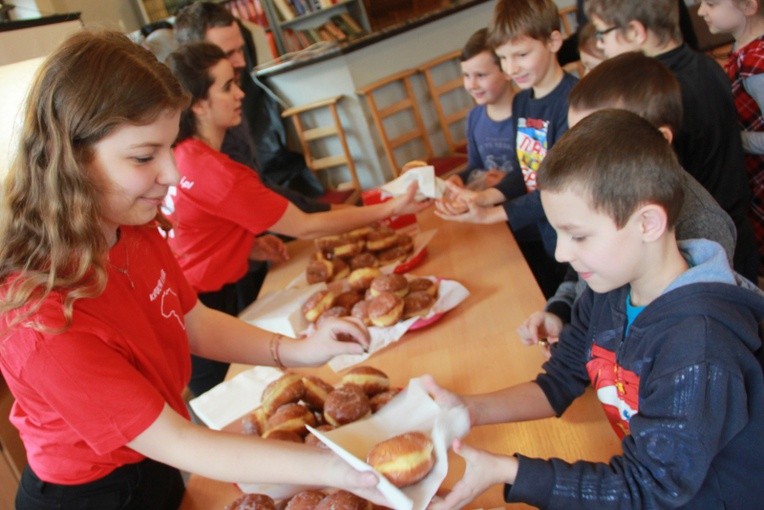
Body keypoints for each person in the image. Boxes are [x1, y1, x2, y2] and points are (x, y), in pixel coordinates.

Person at [0, 30, 387, 510]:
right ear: (73, 160)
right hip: (89, 495)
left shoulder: (130, 226)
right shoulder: (42, 322)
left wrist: (300, 350)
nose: (169, 172)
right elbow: (180, 442)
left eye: (169, 147)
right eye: (145, 156)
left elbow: (191, 321)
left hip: (153, 456)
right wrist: (335, 466)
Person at [425, 109, 764, 510]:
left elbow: (646, 488)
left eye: (578, 235)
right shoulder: (609, 291)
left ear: (647, 223)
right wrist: (470, 409)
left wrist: (508, 472)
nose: (560, 252)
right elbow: (558, 383)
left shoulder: (699, 347)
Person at [165, 42, 429, 396]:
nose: (240, 94)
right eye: (227, 86)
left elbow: (194, 226)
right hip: (200, 311)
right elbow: (306, 224)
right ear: (198, 103)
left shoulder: (183, 156)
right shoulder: (216, 173)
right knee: (227, 400)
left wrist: (245, 246)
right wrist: (389, 209)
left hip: (189, 300)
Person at [517, 51, 739, 358]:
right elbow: (582, 263)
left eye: (598, 141)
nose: (581, 154)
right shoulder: (591, 207)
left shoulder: (702, 225)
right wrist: (561, 309)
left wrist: (589, 351)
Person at [586, 0, 760, 283]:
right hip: (736, 227)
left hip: (705, 247)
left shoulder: (653, 100)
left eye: (602, 33)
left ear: (635, 32)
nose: (601, 45)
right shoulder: (707, 64)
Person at [436, 0, 578, 298]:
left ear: (553, 41)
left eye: (522, 54)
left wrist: (491, 214)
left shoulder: (573, 103)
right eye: (503, 58)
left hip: (575, 236)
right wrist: (482, 197)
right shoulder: (523, 102)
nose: (512, 68)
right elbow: (526, 171)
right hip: (546, 234)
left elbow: (560, 192)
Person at [175, 1, 326, 201]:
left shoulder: (233, 97)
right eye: (228, 54)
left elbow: (257, 185)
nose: (242, 62)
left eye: (241, 50)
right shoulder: (187, 146)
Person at [698, 0, 764, 276]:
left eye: (711, 3)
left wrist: (733, 139)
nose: (701, 11)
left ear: (748, 6)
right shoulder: (742, 51)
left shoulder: (757, 65)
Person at [449, 27, 516, 190]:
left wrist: (508, 182)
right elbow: (476, 166)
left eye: (481, 75)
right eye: (466, 76)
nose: (472, 85)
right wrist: (459, 178)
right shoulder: (474, 117)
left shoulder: (531, 116)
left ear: (507, 71)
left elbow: (543, 173)